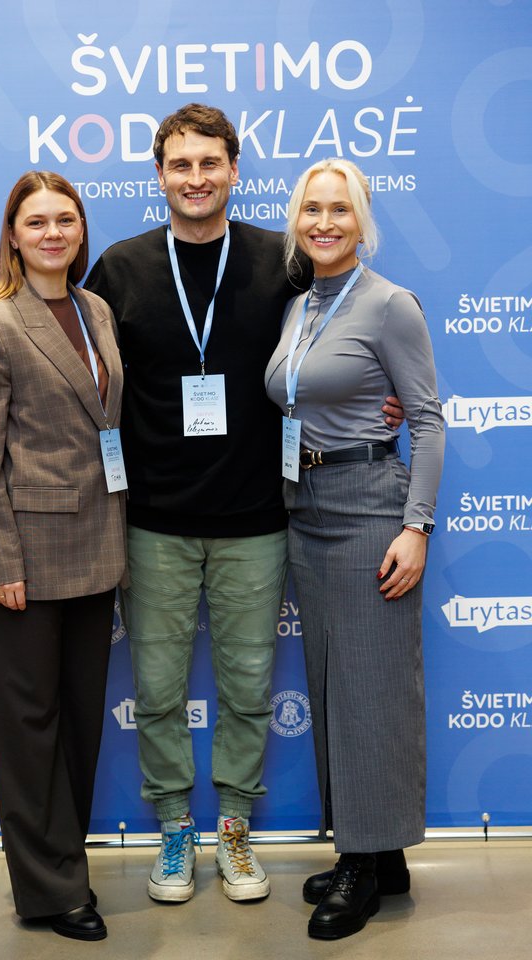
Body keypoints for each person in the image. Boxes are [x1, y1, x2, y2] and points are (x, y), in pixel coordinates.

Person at [85, 104, 404, 905]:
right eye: (180, 165)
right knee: (158, 690)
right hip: (154, 521)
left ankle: (233, 829)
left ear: (233, 170)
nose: (195, 178)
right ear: (160, 175)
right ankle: (173, 831)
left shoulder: (282, 260)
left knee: (249, 688)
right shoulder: (120, 269)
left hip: (258, 518)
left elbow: (341, 340)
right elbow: (80, 378)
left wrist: (382, 402)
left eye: (209, 163)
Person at [265, 157, 444, 940]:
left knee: (372, 691)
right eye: (313, 209)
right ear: (297, 221)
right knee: (335, 687)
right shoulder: (298, 306)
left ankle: (361, 865)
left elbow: (428, 421)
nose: (325, 222)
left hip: (370, 507)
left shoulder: (389, 303)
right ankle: (380, 854)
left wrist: (416, 526)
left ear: (363, 222)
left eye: (340, 209)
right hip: (304, 507)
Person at [0, 171, 126, 941]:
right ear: (14, 235)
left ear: (81, 230)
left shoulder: (95, 311)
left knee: (80, 727)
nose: (53, 232)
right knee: (28, 733)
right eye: (37, 222)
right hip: (25, 558)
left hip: (97, 549)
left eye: (65, 219)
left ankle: (66, 868)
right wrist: (2, 563)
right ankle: (51, 892)